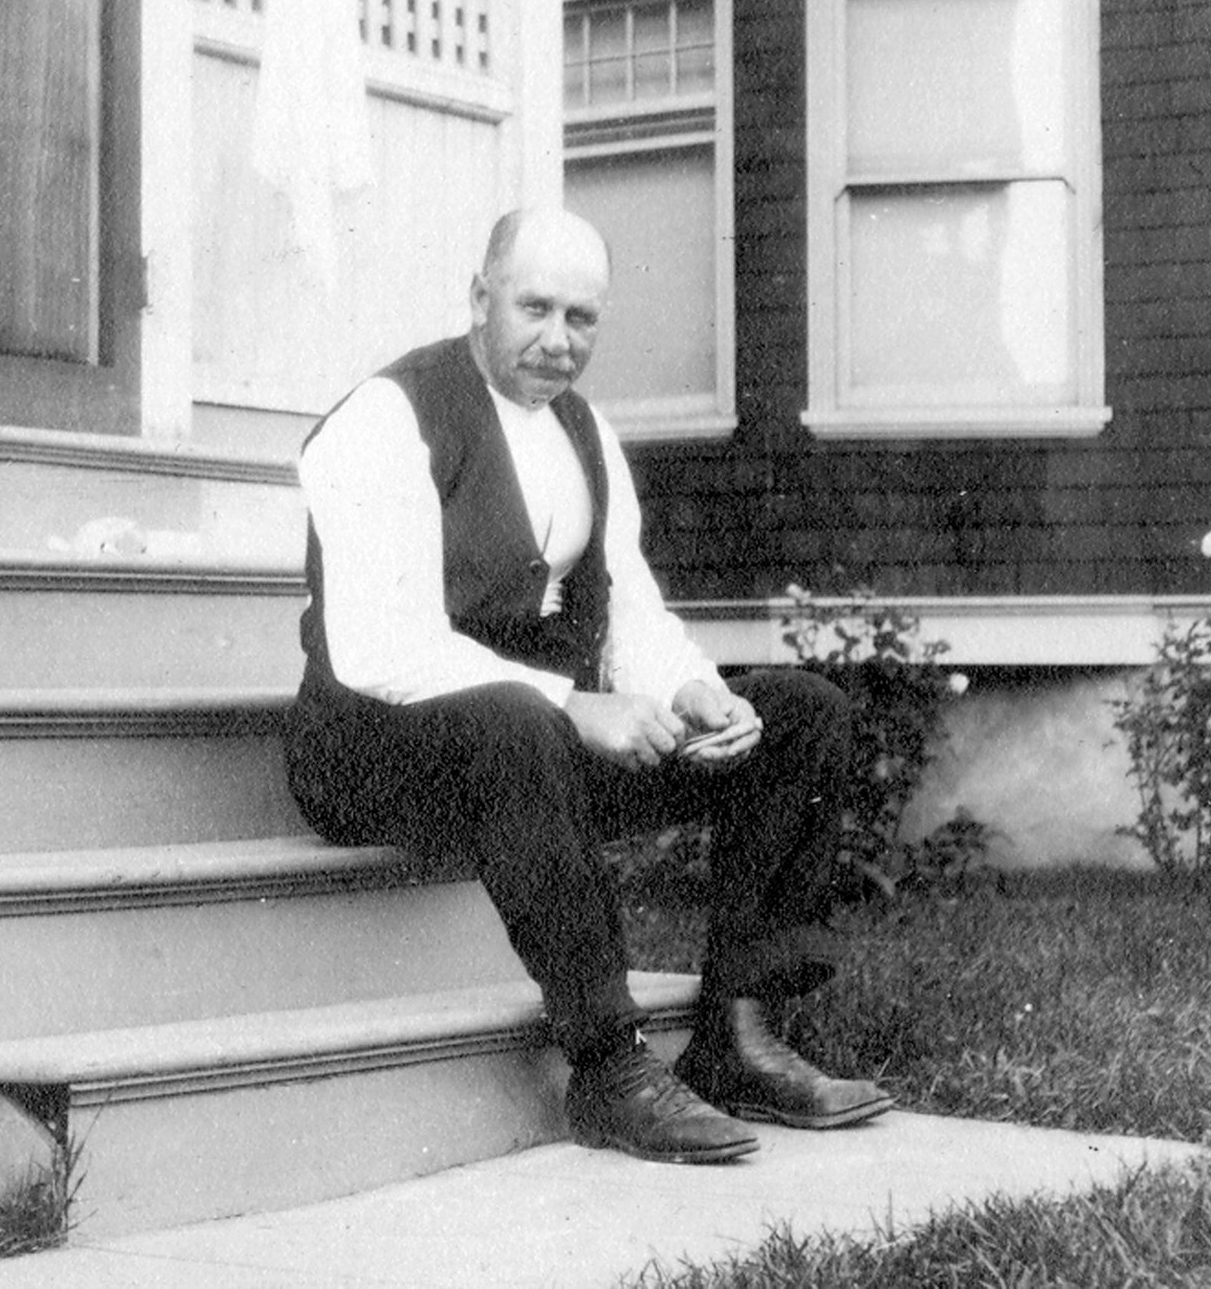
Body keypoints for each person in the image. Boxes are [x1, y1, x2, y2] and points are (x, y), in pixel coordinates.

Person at [285, 204, 891, 1164]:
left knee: (798, 715)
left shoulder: (584, 430)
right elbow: (379, 645)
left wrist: (694, 691)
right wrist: (575, 705)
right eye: (534, 308)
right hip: (373, 752)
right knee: (515, 721)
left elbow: (629, 610)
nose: (558, 341)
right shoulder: (387, 418)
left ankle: (740, 1033)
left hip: (532, 753)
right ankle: (608, 1066)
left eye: (583, 318)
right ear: (479, 297)